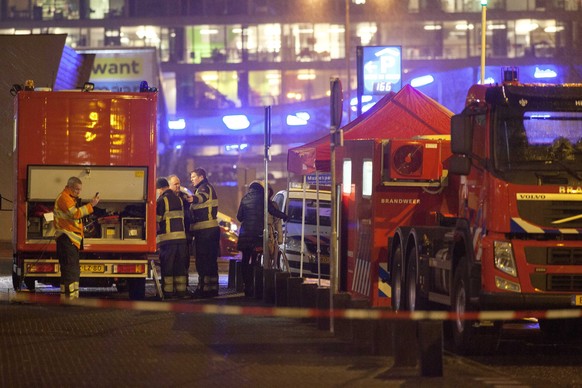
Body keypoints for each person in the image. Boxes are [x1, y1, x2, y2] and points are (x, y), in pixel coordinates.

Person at [236, 181, 287, 297]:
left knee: (245, 259)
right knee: (255, 259)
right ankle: (255, 285)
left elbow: (239, 217)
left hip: (245, 235)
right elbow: (273, 211)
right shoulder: (263, 199)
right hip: (257, 235)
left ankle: (246, 285)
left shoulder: (244, 199)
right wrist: (285, 216)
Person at [53, 176, 100, 300]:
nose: (78, 192)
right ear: (69, 187)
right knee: (71, 271)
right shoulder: (64, 198)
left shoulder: (69, 198)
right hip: (67, 238)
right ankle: (71, 298)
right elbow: (75, 214)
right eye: (76, 189)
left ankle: (66, 297)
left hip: (69, 239)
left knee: (69, 270)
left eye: (80, 190)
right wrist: (91, 205)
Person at [188, 168, 220, 298]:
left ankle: (204, 290)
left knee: (203, 261)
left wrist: (190, 199)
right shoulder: (204, 187)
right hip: (208, 231)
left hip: (206, 232)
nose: (191, 179)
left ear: (201, 177)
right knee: (210, 261)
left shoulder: (204, 188)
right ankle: (212, 289)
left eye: (194, 176)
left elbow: (201, 198)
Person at [156, 177, 190, 299]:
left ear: (160, 189)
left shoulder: (161, 200)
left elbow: (157, 220)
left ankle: (168, 292)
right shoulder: (179, 200)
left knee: (168, 267)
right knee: (180, 266)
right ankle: (181, 291)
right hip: (181, 239)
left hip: (168, 240)